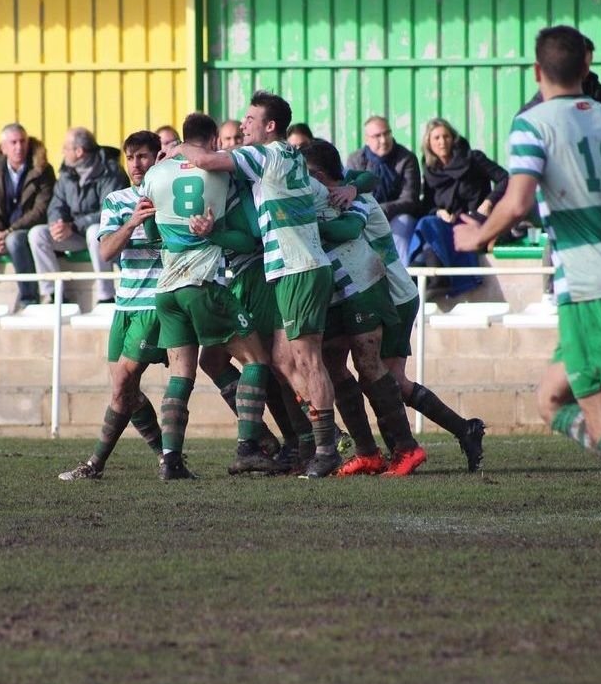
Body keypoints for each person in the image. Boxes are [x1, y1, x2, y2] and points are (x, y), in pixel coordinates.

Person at [455, 24, 601, 588]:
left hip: (589, 289)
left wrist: (479, 236)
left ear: (538, 74)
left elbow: (516, 202)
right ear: (585, 71)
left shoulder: (534, 122)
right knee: (550, 399)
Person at [168, 91, 340, 479]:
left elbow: (207, 159)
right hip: (288, 268)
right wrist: (350, 187)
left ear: (270, 126)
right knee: (281, 360)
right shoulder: (289, 155)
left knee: (308, 359)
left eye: (249, 119)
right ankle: (317, 439)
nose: (243, 126)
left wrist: (179, 146)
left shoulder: (266, 154)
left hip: (300, 268)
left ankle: (328, 448)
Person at [142, 112, 276, 479]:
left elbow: (151, 232)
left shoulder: (155, 174)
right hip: (204, 283)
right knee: (256, 360)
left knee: (180, 375)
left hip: (166, 289)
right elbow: (248, 237)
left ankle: (170, 460)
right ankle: (248, 447)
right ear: (214, 139)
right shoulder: (222, 172)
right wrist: (211, 232)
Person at [301, 139, 426, 477]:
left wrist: (302, 225)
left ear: (316, 174)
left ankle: (406, 448)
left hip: (364, 285)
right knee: (330, 363)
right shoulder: (307, 190)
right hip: (335, 291)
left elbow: (351, 225)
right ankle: (367, 452)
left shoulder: (347, 193)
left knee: (370, 365)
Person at [59, 131, 167, 480]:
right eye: (131, 157)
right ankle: (167, 457)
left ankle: (95, 464)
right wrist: (132, 222)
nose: (136, 164)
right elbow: (105, 252)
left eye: (144, 157)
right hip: (123, 306)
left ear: (157, 158)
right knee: (124, 389)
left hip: (154, 303)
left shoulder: (169, 197)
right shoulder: (116, 200)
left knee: (122, 382)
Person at [408, 118, 508, 299]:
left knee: (428, 226)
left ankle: (435, 280)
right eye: (436, 138)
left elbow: (505, 178)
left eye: (446, 136)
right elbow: (428, 204)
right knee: (427, 222)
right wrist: (439, 211)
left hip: (475, 219)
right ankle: (427, 279)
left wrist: (489, 202)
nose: (442, 142)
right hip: (448, 221)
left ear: (453, 138)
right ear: (429, 143)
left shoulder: (473, 159)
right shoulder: (431, 170)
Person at [29, 128, 129, 305]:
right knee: (37, 234)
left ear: (79, 151)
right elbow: (56, 203)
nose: (62, 152)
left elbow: (109, 212)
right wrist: (57, 223)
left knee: (95, 231)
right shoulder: (67, 172)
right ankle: (54, 295)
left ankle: (106, 296)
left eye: (66, 147)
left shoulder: (111, 171)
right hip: (73, 234)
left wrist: (74, 226)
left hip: (102, 234)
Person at [0, 123, 56, 307]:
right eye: (14, 142)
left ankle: (29, 299)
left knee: (15, 240)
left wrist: (10, 231)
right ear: (4, 148)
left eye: (23, 141)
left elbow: (41, 209)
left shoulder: (41, 169)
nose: (19, 147)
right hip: (1, 230)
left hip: (26, 229)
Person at [346, 115, 423, 266]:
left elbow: (410, 199)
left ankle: (403, 277)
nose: (384, 140)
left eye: (387, 133)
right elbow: (350, 193)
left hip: (397, 214)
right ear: (367, 139)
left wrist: (382, 210)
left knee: (402, 227)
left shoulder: (406, 158)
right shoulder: (355, 159)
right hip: (366, 213)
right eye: (377, 136)